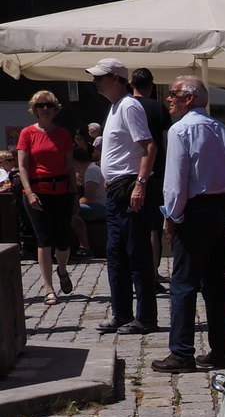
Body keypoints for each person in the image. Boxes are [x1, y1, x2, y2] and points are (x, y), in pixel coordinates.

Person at [152, 75, 225, 373]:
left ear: (189, 98)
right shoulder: (224, 131)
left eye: (173, 93)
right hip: (222, 209)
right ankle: (220, 351)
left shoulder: (181, 130)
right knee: (216, 285)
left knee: (183, 283)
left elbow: (175, 183)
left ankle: (181, 353)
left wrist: (172, 217)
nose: (169, 98)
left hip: (195, 210)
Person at [88, 57, 157, 336]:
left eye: (100, 77)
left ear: (116, 78)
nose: (95, 82)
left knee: (135, 253)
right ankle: (122, 313)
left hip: (129, 187)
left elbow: (148, 147)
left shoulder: (129, 105)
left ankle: (146, 317)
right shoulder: (115, 107)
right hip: (116, 188)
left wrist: (140, 184)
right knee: (115, 253)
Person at [16, 90, 77, 303]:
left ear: (55, 108)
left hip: (61, 191)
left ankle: (62, 269)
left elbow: (69, 166)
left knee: (63, 240)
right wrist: (30, 193)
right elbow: (22, 167)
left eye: (49, 105)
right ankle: (48, 287)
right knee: (44, 239)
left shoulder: (63, 134)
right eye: (41, 106)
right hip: (36, 192)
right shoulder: (27, 134)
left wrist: (75, 193)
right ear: (35, 109)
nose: (45, 109)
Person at [131, 69, 168, 291]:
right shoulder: (158, 107)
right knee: (154, 227)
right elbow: (165, 141)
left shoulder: (122, 107)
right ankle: (152, 274)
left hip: (129, 172)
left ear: (130, 83)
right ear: (151, 86)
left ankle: (135, 272)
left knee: (133, 227)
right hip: (156, 171)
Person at [72, 146, 106, 255]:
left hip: (100, 207)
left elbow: (88, 198)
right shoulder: (92, 169)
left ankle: (85, 246)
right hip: (99, 205)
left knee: (70, 212)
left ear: (74, 161)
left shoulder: (91, 172)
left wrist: (74, 205)